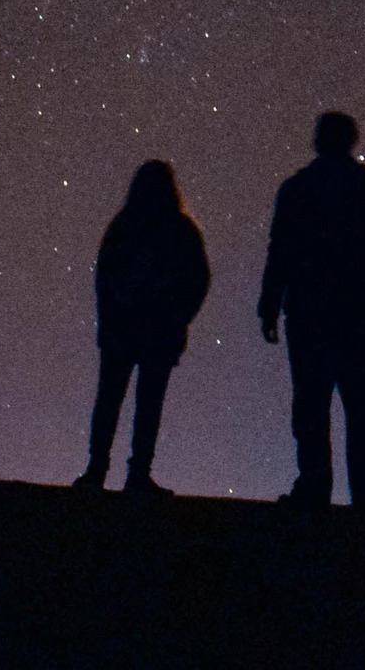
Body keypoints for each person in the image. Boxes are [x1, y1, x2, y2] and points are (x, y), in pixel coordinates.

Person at [259, 112, 365, 513]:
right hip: (357, 317)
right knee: (361, 408)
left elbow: (280, 250)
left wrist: (270, 303)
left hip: (310, 314)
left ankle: (314, 486)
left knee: (311, 406)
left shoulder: (298, 190)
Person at [75, 160, 211, 498]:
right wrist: (178, 318)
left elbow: (105, 278)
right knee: (145, 406)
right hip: (154, 333)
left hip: (127, 331)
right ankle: (135, 475)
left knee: (112, 401)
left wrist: (110, 320)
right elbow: (198, 280)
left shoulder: (125, 227)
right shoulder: (180, 230)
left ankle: (98, 471)